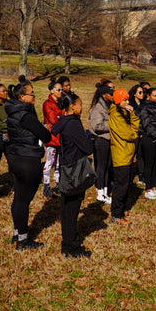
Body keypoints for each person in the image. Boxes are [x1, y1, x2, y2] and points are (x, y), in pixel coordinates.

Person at [5, 80, 52, 251]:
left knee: (18, 198)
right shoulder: (25, 115)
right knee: (23, 201)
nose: (34, 96)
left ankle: (18, 233)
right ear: (22, 97)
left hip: (16, 157)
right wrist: (42, 128)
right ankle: (23, 240)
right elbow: (46, 136)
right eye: (31, 93)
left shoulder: (12, 112)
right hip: (28, 159)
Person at [49, 92, 94, 258]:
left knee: (67, 207)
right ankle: (71, 246)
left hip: (65, 168)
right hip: (75, 169)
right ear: (72, 106)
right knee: (72, 208)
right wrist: (88, 136)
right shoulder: (73, 124)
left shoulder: (63, 122)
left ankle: (68, 242)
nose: (81, 108)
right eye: (80, 104)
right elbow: (87, 148)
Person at [109, 88, 140, 225]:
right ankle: (116, 215)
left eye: (128, 99)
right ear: (118, 101)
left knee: (126, 185)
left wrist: (131, 115)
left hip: (127, 155)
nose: (128, 102)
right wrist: (133, 117)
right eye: (125, 100)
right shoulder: (116, 115)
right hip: (121, 156)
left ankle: (122, 209)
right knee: (120, 187)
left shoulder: (123, 113)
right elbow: (130, 134)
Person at [88, 80, 114, 204]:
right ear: (104, 95)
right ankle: (100, 192)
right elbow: (96, 125)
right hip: (101, 140)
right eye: (110, 93)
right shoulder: (98, 107)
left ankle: (105, 190)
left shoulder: (108, 106)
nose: (113, 95)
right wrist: (112, 125)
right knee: (101, 166)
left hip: (108, 140)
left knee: (107, 166)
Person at [42, 79, 64, 198]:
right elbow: (53, 120)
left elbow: (64, 117)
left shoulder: (61, 102)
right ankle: (46, 185)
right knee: (49, 162)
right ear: (52, 91)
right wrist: (61, 118)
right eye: (58, 89)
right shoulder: (47, 104)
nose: (60, 92)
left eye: (61, 89)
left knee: (58, 162)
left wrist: (61, 118)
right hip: (52, 138)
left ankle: (58, 184)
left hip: (60, 137)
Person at [128, 83, 146, 186]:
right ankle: (129, 176)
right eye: (140, 92)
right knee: (131, 155)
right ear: (134, 94)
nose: (142, 94)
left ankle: (141, 176)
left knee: (141, 156)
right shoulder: (130, 105)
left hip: (141, 134)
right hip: (133, 134)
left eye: (143, 92)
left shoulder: (144, 104)